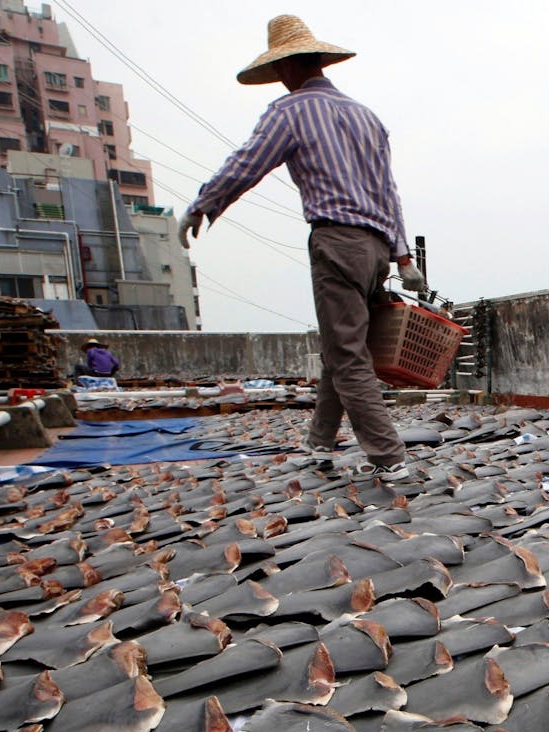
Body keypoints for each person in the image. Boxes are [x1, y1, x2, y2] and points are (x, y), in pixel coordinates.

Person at [178, 14, 426, 481]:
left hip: (336, 240)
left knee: (349, 355)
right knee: (343, 346)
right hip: (376, 250)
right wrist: (402, 256)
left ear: (286, 68)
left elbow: (247, 163)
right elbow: (388, 192)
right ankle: (319, 443)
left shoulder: (289, 111)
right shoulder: (366, 116)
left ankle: (390, 459)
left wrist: (203, 204)